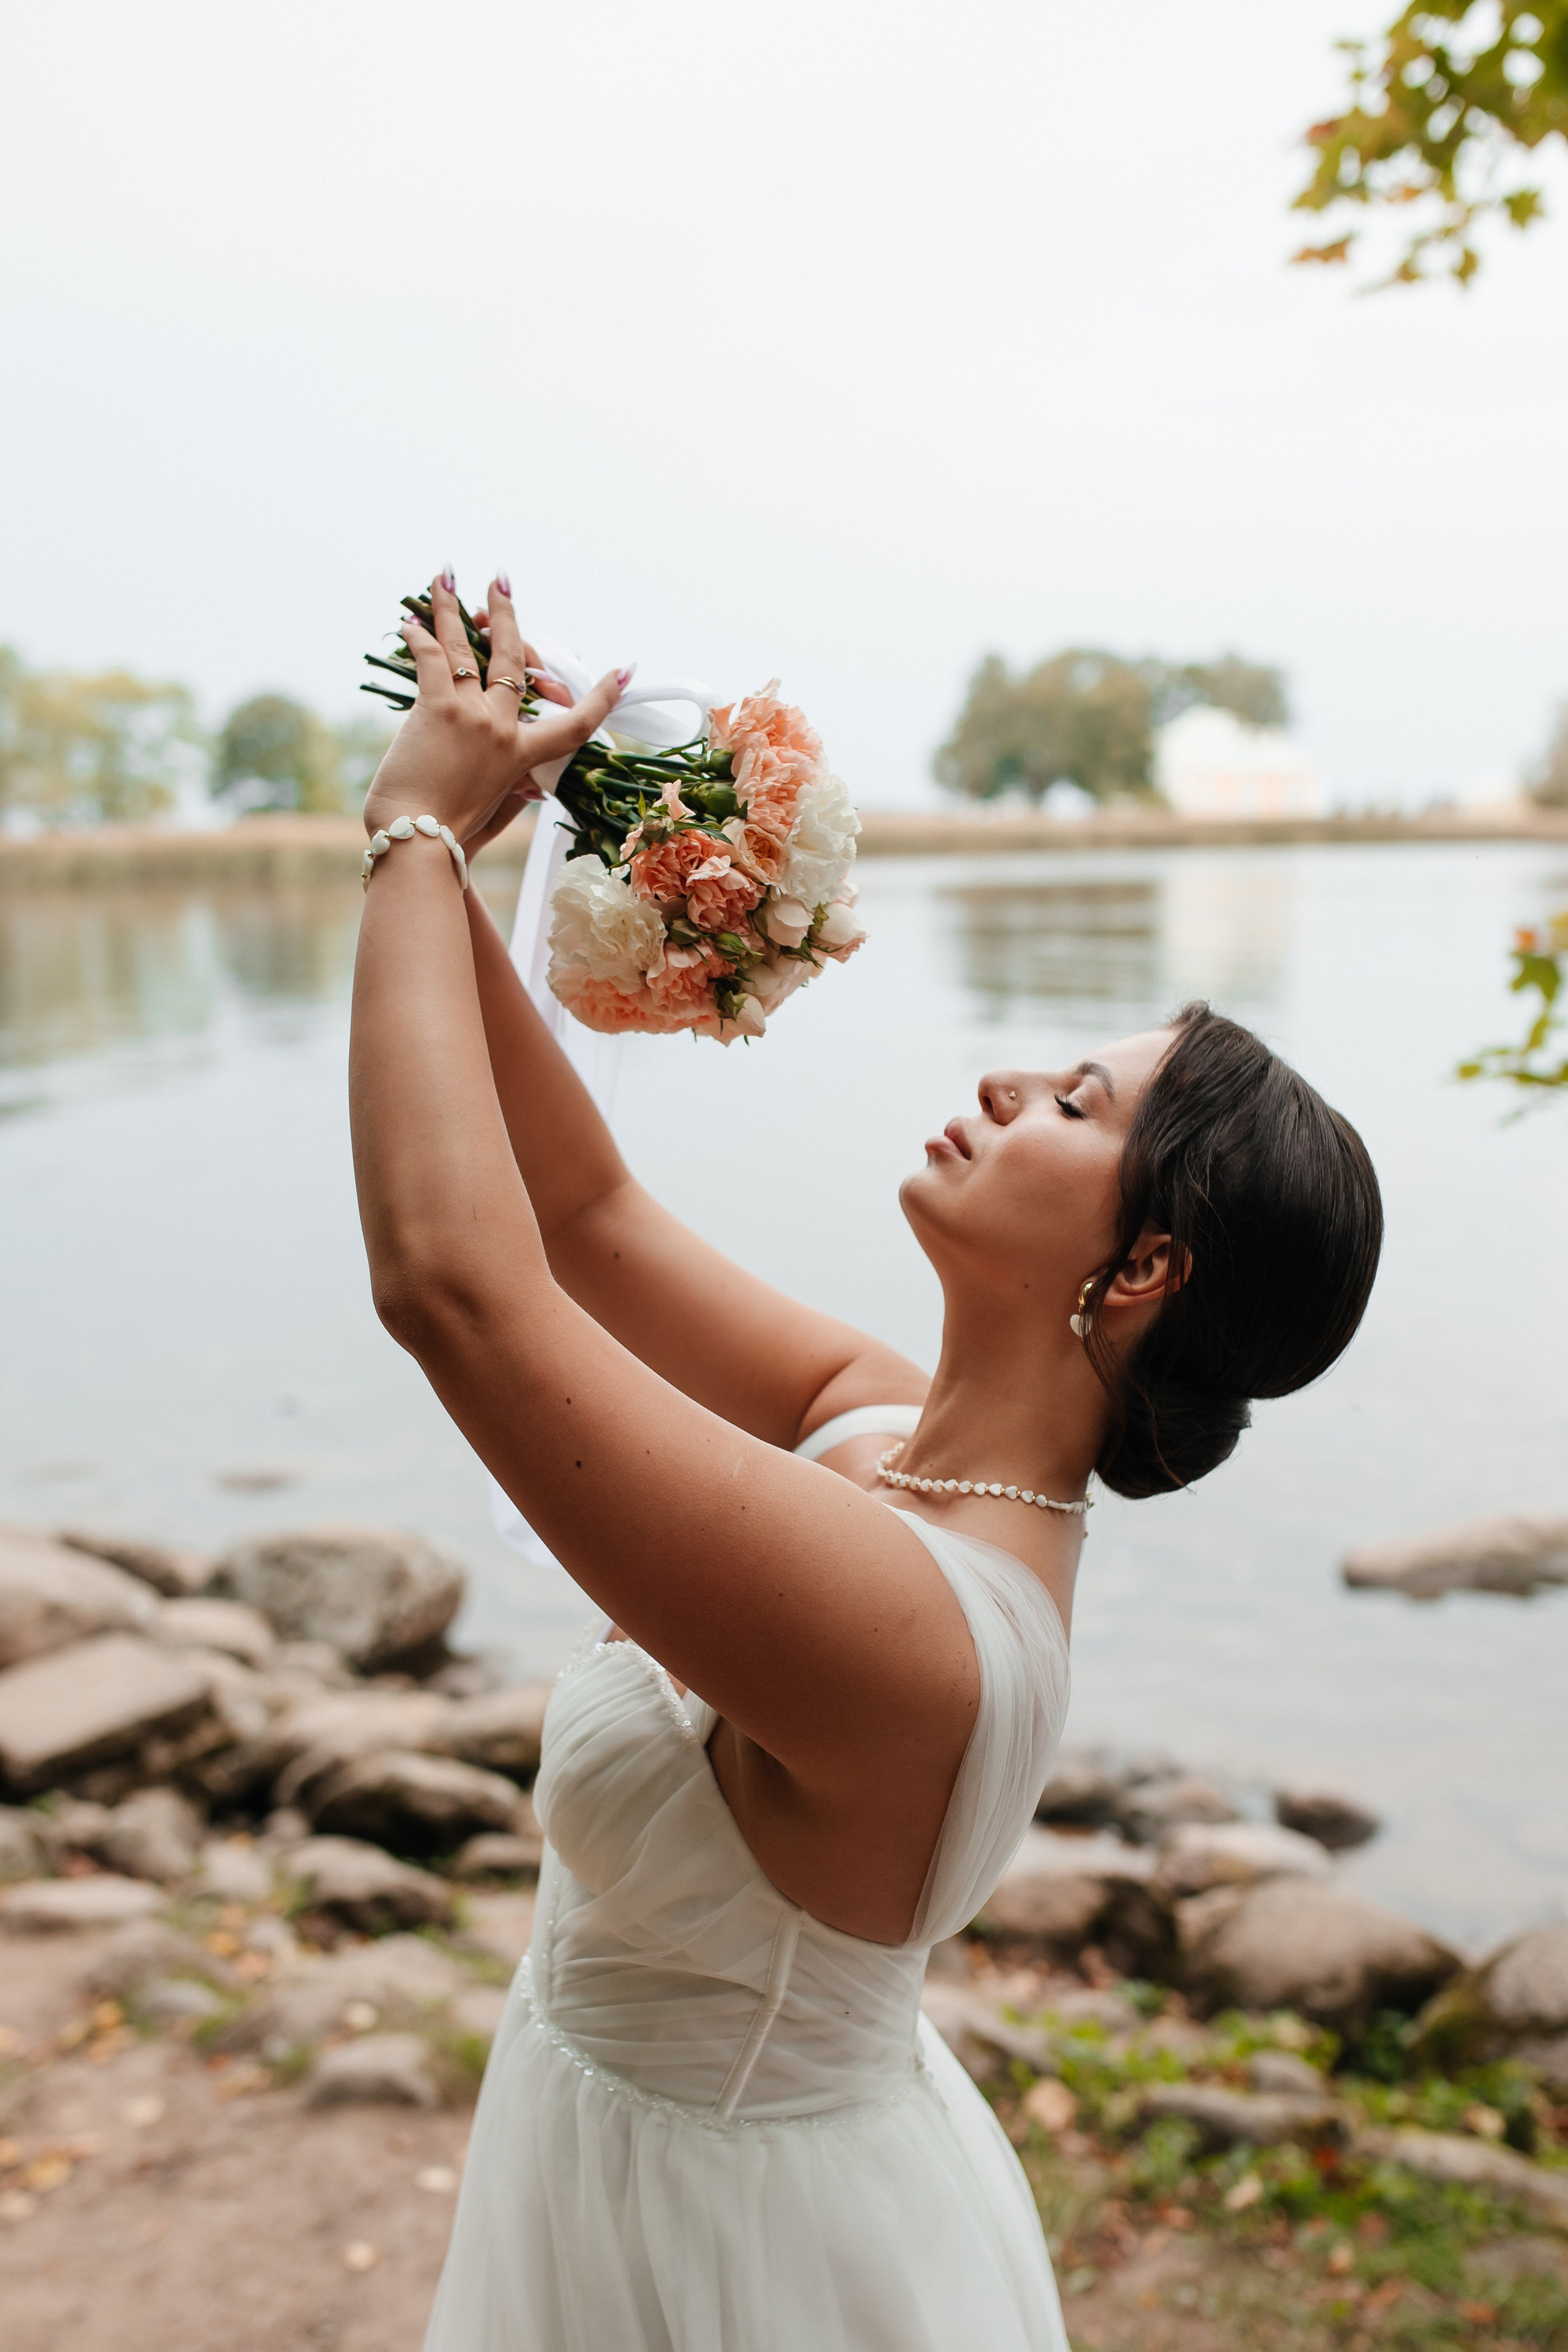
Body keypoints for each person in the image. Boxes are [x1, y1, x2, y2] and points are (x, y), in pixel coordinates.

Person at [349, 574, 1384, 2352]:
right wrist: (469, 836)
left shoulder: (913, 1635)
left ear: (1141, 1272)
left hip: (739, 2258)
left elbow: (461, 1288)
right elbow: (583, 1214)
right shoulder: (883, 1431)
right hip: (610, 2158)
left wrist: (415, 842)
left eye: (1073, 1103)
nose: (1001, 1086)